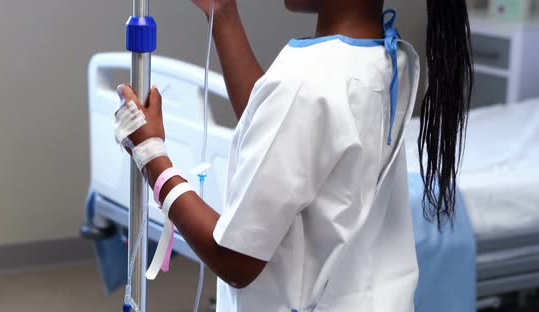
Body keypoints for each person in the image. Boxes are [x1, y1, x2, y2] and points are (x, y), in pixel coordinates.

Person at [114, 0, 473, 310]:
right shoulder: (381, 55)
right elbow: (280, 132)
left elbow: (235, 258)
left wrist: (151, 155)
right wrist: (222, 14)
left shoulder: (309, 84)